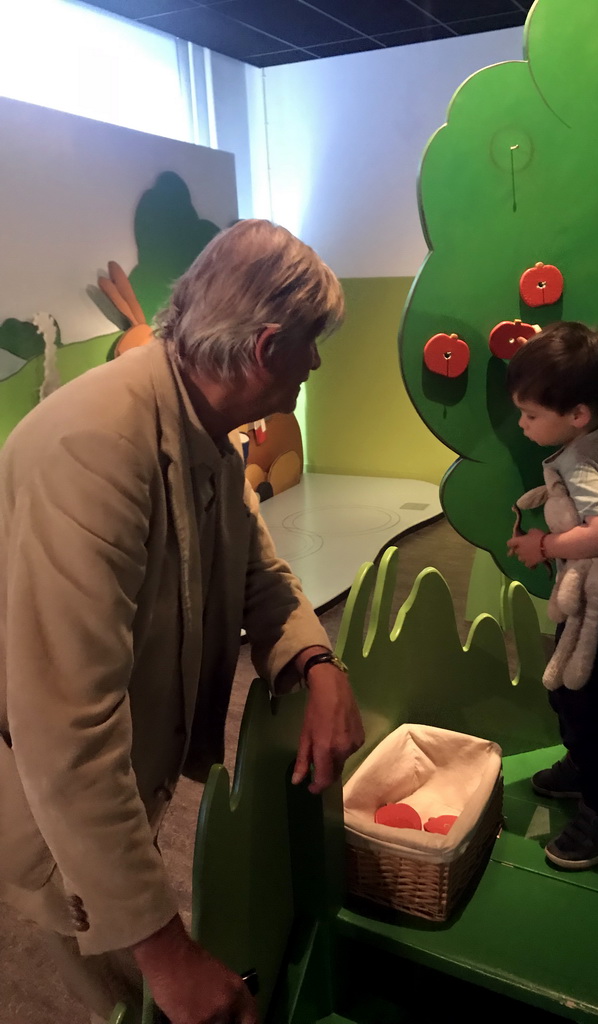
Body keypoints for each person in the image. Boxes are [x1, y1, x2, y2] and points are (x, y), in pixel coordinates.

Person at [0, 219, 364, 1024]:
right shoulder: (92, 450)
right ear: (269, 349)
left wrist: (316, 663)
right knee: (107, 969)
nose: (315, 364)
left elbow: (254, 568)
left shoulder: (201, 425)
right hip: (46, 795)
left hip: (127, 764)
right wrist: (169, 953)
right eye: (312, 345)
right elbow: (65, 731)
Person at [506, 321, 598, 871]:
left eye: (529, 415)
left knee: (584, 712)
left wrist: (544, 544)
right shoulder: (597, 436)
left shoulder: (581, 459)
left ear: (576, 415)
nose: (521, 424)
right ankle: (579, 764)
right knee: (567, 697)